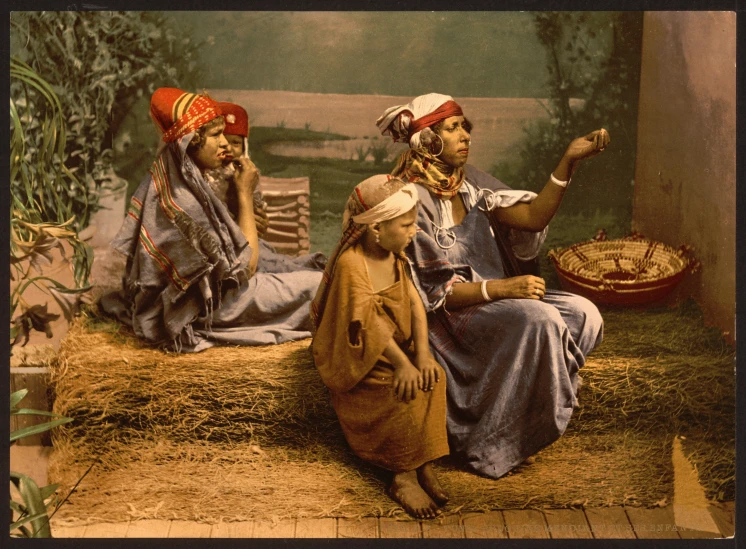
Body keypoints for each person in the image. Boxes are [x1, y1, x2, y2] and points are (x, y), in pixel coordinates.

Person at [375, 93, 607, 479]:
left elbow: (532, 217)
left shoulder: (470, 183)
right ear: (427, 140)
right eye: (453, 128)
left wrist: (568, 160)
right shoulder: (406, 197)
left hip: (500, 300)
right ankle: (491, 442)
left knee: (586, 315)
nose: (466, 135)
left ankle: (520, 426)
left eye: (465, 126)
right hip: (448, 318)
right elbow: (435, 295)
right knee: (542, 320)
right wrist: (502, 290)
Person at [101, 88, 325, 351]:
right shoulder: (181, 201)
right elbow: (244, 270)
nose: (224, 144)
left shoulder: (180, 175)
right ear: (191, 141)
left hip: (213, 290)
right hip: (206, 307)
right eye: (216, 135)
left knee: (308, 267)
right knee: (319, 286)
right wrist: (244, 193)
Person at [311, 174, 450, 519]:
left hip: (395, 351)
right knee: (399, 392)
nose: (414, 230)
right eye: (406, 224)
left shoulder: (395, 257)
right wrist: (402, 364)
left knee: (434, 379)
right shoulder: (352, 265)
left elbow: (416, 304)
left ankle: (423, 462)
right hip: (360, 359)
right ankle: (401, 475)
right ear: (375, 230)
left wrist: (422, 354)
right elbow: (367, 326)